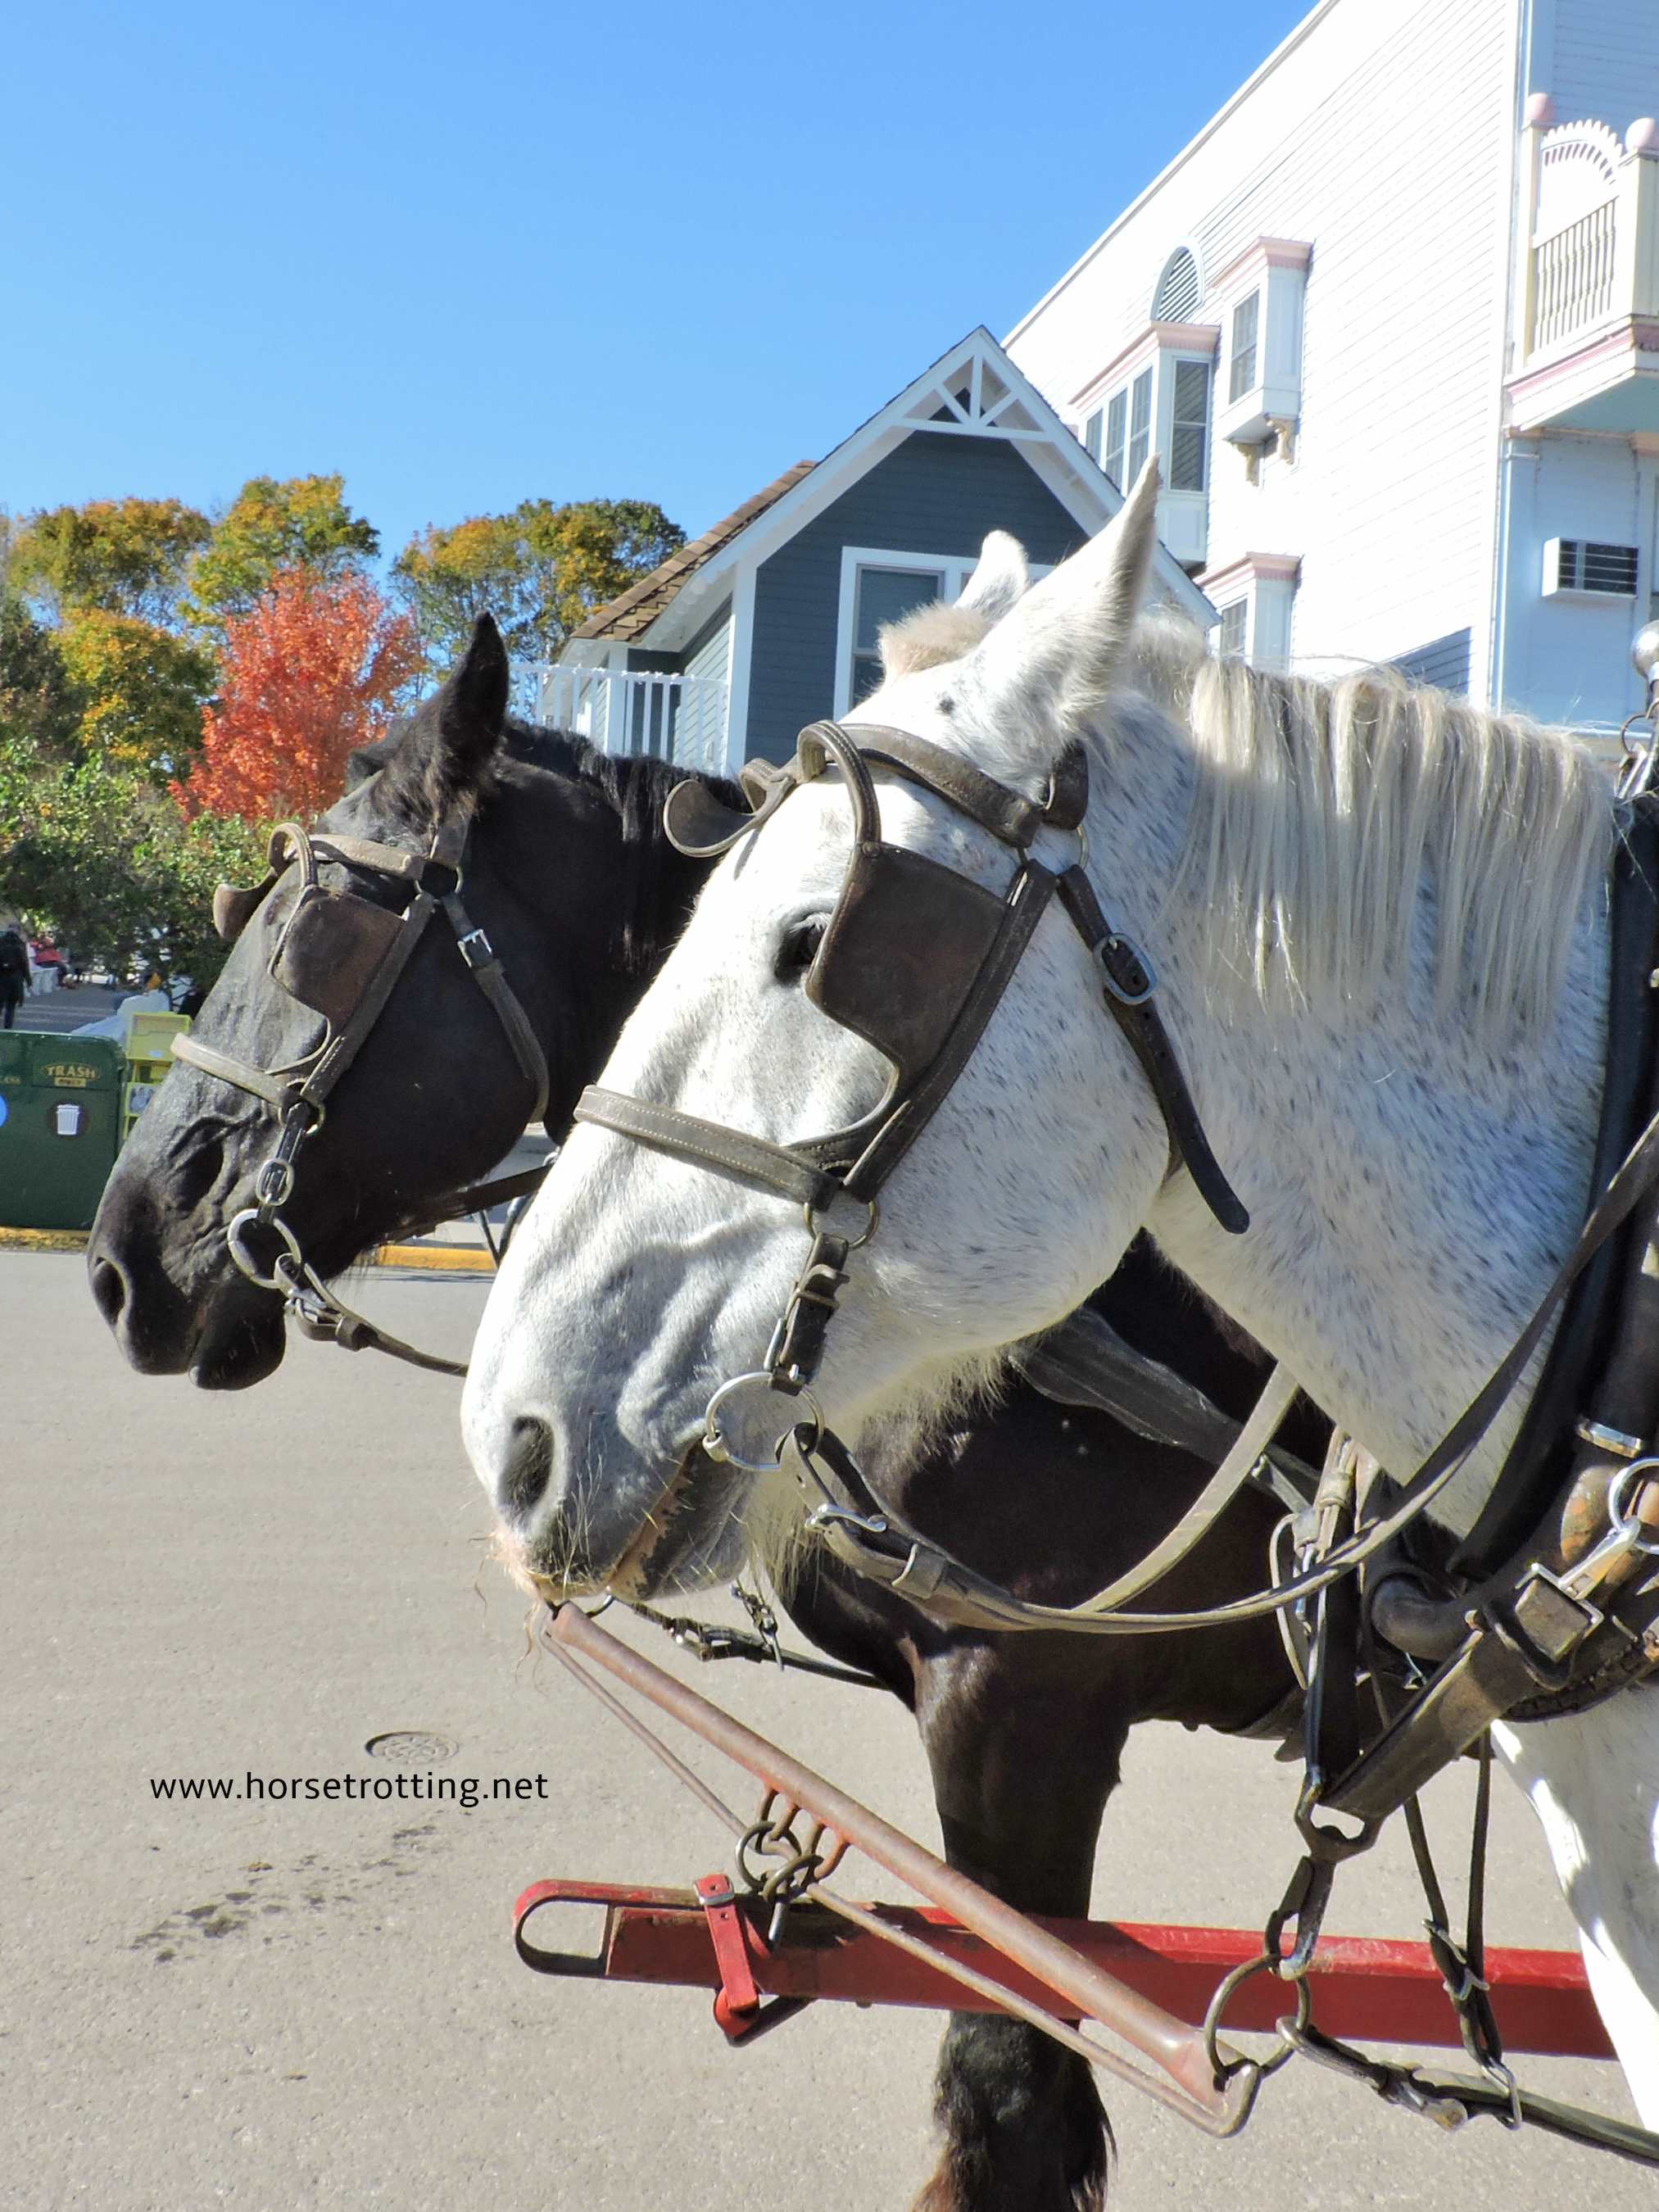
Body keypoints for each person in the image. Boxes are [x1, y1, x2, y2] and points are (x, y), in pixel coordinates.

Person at [0, 927, 29, 1029]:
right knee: (10, 1006)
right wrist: (28, 980)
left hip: (2, 978)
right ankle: (8, 1029)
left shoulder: (1, 943)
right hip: (15, 978)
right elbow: (24, 963)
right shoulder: (20, 944)